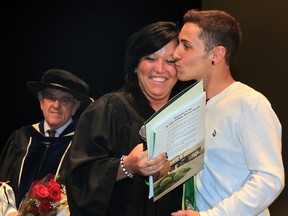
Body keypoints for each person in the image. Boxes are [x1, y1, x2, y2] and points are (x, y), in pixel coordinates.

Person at [65, 21, 193, 216]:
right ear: (135, 65)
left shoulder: (187, 112)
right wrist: (127, 166)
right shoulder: (109, 110)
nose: (160, 69)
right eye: (150, 58)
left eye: (170, 61)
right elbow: (80, 180)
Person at [171, 9, 285, 216]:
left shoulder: (249, 103)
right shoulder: (194, 105)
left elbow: (270, 178)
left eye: (186, 46)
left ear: (216, 54)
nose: (175, 53)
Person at [0, 68, 93, 215]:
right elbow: (3, 181)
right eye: (50, 97)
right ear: (41, 102)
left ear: (75, 107)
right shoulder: (21, 138)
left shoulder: (83, 145)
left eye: (64, 99)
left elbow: (86, 193)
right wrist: (10, 212)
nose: (56, 105)